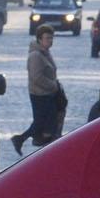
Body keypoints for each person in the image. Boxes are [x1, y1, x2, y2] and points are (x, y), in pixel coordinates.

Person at [10, 27, 62, 155]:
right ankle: (24, 140)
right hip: (40, 94)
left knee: (46, 122)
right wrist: (53, 86)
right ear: (39, 39)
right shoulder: (36, 55)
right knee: (42, 122)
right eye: (47, 38)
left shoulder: (45, 52)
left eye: (51, 38)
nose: (50, 41)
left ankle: (41, 145)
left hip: (48, 94)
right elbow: (36, 77)